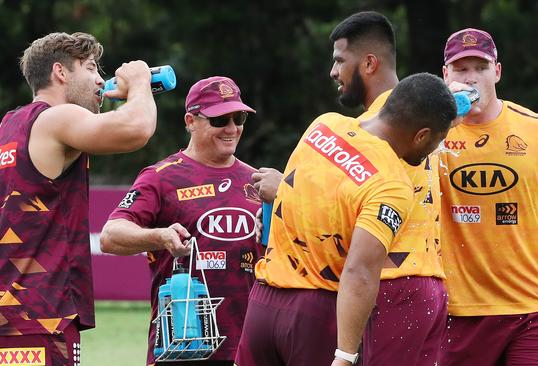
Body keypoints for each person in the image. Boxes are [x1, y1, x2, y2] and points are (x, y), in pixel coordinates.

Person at [249, 12, 449, 366]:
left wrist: (285, 190)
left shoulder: (378, 134)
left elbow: (350, 225)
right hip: (425, 283)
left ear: (369, 63)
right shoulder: (421, 115)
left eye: (340, 60)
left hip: (385, 285)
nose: (333, 72)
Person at [0, 32, 157, 366]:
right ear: (60, 72)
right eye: (90, 68)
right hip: (37, 316)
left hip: (4, 317)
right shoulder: (54, 118)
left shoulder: (9, 126)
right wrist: (141, 79)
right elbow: (137, 129)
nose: (100, 79)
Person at [101, 76, 264, 366]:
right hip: (181, 346)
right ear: (190, 121)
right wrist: (159, 237)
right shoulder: (161, 177)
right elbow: (111, 235)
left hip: (249, 348)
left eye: (238, 118)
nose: (232, 129)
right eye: (219, 120)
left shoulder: (259, 182)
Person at [439, 28, 538, 365]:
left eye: (480, 68)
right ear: (445, 75)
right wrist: (444, 122)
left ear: (497, 71)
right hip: (457, 309)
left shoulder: (533, 129)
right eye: (461, 69)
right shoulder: (427, 135)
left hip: (528, 309)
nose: (472, 78)